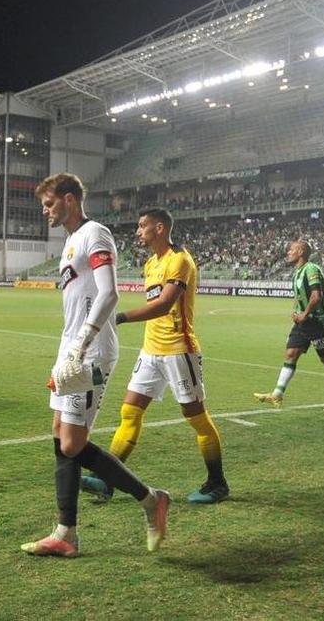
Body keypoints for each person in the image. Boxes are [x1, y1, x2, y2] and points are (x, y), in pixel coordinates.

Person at [21, 173, 169, 558]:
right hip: (71, 346)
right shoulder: (71, 242)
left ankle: (151, 499)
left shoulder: (95, 234)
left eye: (50, 204)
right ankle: (65, 533)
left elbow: (109, 294)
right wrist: (67, 349)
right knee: (60, 434)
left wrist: (81, 344)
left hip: (92, 349)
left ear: (70, 199)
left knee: (71, 443)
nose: (46, 211)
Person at [80, 208, 230, 506]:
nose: (138, 231)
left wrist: (118, 317)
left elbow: (163, 305)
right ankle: (108, 480)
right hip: (150, 351)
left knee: (196, 417)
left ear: (159, 228)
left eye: (142, 226)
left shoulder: (180, 260)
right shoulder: (151, 263)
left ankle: (217, 482)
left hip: (178, 350)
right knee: (130, 411)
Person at [254, 239, 324, 412]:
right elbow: (300, 296)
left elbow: (315, 296)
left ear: (301, 252)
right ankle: (277, 394)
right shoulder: (297, 272)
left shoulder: (311, 269)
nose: (288, 252)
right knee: (290, 354)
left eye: (291, 250)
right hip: (302, 323)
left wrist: (304, 313)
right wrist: (296, 311)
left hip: (316, 322)